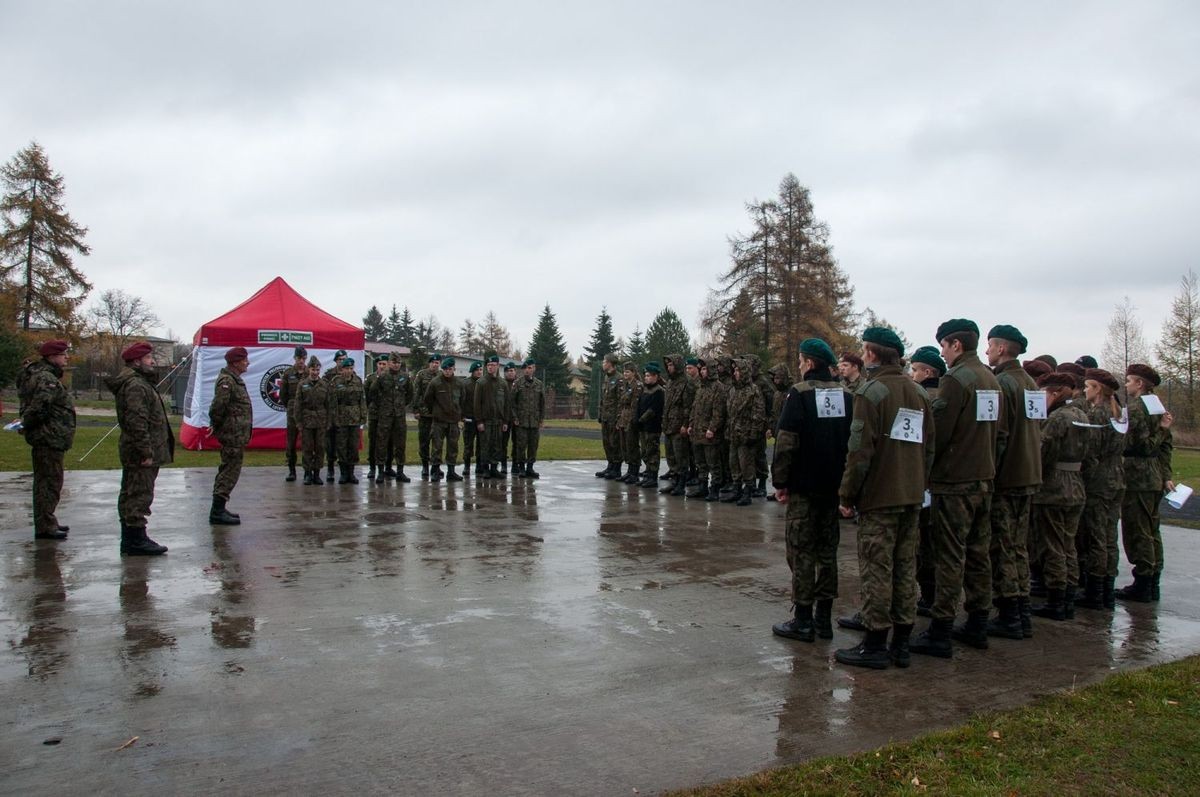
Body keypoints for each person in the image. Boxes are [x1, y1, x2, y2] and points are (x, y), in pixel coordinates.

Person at [834, 328, 934, 669]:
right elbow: (928, 446)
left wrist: (847, 493)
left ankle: (875, 643)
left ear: (873, 355)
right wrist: (920, 482)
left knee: (877, 568)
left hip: (880, 495)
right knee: (905, 567)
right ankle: (901, 643)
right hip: (911, 494)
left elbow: (859, 451)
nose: (862, 356)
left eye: (864, 350)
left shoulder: (871, 393)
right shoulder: (918, 392)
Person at [911, 319, 1000, 658]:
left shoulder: (956, 380)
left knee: (949, 555)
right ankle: (978, 620)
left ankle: (942, 627)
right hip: (983, 478)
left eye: (945, 347)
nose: (943, 354)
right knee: (979, 553)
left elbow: (939, 432)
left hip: (955, 481)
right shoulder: (990, 378)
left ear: (956, 346)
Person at [770, 339, 853, 644]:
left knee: (802, 552)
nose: (800, 365)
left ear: (810, 362)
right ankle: (824, 619)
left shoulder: (799, 393)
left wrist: (780, 481)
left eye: (802, 360)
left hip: (805, 487)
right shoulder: (847, 395)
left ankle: (803, 619)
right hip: (833, 487)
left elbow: (787, 441)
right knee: (827, 552)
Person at [984, 325, 1042, 640]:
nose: (988, 351)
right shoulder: (1030, 383)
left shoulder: (1002, 383)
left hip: (1007, 477)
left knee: (1003, 546)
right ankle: (1020, 611)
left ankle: (1009, 614)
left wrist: (990, 471)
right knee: (1018, 545)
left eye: (991, 346)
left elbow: (999, 435)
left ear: (1003, 349)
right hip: (1028, 473)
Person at [1029, 371, 1089, 620]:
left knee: (1052, 545)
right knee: (1068, 545)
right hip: (1075, 483)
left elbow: (1043, 451)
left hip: (1054, 486)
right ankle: (1068, 597)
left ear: (1053, 393)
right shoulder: (1081, 414)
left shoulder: (1057, 418)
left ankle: (1056, 598)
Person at [106, 341, 171, 556]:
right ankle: (135, 539)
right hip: (140, 451)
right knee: (138, 494)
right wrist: (145, 451)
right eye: (147, 358)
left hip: (139, 448)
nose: (152, 362)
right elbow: (137, 421)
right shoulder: (135, 385)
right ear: (136, 361)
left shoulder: (138, 382)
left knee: (133, 493)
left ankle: (132, 538)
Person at [1117, 363, 1174, 602]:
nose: (1127, 384)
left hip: (1138, 475)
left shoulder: (1138, 408)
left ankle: (1143, 581)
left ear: (1140, 383)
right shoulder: (1156, 406)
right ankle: (1152, 581)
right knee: (1151, 529)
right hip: (1154, 474)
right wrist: (1166, 474)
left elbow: (1140, 444)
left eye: (1129, 381)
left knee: (1137, 529)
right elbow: (1165, 447)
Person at [1075, 368, 1125, 610]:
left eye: (1087, 386)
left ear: (1097, 389)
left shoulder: (1098, 415)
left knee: (1096, 536)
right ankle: (1107, 589)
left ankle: (1095, 591)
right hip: (1117, 478)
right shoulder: (1119, 414)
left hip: (1099, 481)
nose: (1084, 390)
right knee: (1109, 537)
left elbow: (1091, 451)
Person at [18, 339, 76, 541]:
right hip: (48, 436)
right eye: (63, 354)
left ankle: (48, 520)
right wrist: (26, 423)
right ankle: (45, 525)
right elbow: (41, 406)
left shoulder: (42, 375)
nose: (66, 357)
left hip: (50, 436)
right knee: (48, 482)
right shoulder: (46, 378)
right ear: (52, 357)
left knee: (49, 480)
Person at [208, 346, 252, 525]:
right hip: (231, 435)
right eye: (244, 360)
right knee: (228, 471)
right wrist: (217, 426)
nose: (247, 363)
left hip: (236, 434)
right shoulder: (227, 381)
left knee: (231, 471)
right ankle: (217, 511)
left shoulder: (234, 380)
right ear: (235, 362)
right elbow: (218, 407)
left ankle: (220, 508)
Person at [723, 357, 765, 506]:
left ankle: (748, 491)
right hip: (734, 433)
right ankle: (736, 489)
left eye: (738, 370)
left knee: (746, 464)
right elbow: (729, 413)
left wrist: (754, 433)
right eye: (734, 370)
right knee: (733, 463)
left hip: (746, 435)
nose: (735, 373)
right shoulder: (733, 390)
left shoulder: (753, 390)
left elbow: (758, 414)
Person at [687, 359, 726, 501]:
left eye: (704, 369)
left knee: (713, 463)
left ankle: (715, 488)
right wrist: (691, 423)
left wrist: (712, 428)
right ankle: (702, 487)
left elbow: (719, 411)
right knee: (700, 462)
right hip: (697, 431)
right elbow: (694, 408)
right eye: (701, 369)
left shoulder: (718, 387)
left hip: (709, 433)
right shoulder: (701, 388)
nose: (702, 372)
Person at [374, 353, 413, 483]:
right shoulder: (382, 376)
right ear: (389, 363)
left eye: (398, 362)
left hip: (399, 416)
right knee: (382, 443)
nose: (396, 365)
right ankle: (380, 472)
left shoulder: (405, 377)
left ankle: (400, 471)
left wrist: (400, 405)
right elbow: (374, 393)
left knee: (400, 444)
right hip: (385, 416)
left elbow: (409, 395)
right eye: (393, 362)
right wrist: (384, 406)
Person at [424, 357, 465, 482]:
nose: (448, 371)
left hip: (453, 421)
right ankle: (435, 470)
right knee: (437, 446)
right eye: (445, 369)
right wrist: (436, 411)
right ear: (442, 370)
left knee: (453, 446)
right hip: (439, 421)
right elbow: (428, 399)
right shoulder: (435, 382)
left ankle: (451, 472)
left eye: (450, 369)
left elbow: (462, 400)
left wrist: (459, 416)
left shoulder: (459, 383)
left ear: (454, 369)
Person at [660, 354, 695, 495]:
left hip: (680, 425)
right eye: (668, 365)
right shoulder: (670, 382)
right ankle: (674, 481)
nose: (669, 368)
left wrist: (685, 424)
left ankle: (681, 483)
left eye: (671, 365)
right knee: (671, 456)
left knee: (681, 457)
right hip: (669, 424)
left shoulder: (687, 382)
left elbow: (689, 406)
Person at [331, 357, 366, 484]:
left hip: (355, 418)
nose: (349, 371)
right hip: (341, 419)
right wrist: (334, 418)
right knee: (341, 446)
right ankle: (343, 473)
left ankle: (351, 473)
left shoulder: (358, 381)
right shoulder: (336, 381)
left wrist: (363, 415)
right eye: (347, 368)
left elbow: (361, 400)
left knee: (353, 446)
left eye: (351, 368)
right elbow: (333, 402)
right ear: (342, 369)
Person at [473, 356, 509, 479]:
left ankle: (494, 468)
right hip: (486, 421)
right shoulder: (481, 383)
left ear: (498, 366)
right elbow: (476, 404)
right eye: (488, 365)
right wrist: (479, 421)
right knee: (485, 445)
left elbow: (506, 403)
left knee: (497, 445)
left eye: (493, 365)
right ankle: (486, 469)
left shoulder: (503, 384)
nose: (490, 367)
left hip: (498, 421)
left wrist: (505, 421)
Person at [511, 358, 546, 479]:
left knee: (533, 445)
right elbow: (512, 403)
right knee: (521, 445)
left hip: (534, 421)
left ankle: (530, 468)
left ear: (534, 369)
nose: (527, 370)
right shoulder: (518, 384)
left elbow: (542, 403)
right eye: (525, 368)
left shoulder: (539, 384)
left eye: (530, 368)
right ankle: (521, 468)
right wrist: (515, 417)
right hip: (521, 421)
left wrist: (541, 419)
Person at [297, 355, 330, 485]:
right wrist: (299, 422)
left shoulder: (324, 385)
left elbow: (329, 405)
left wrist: (329, 422)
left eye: (317, 370)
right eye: (313, 370)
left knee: (320, 447)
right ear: (308, 369)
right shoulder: (302, 384)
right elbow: (297, 405)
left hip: (321, 421)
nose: (315, 372)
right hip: (307, 420)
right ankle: (307, 473)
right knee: (307, 447)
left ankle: (317, 473)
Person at [279, 345, 307, 482]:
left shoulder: (310, 372)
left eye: (303, 358)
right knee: (291, 443)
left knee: (308, 443)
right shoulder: (288, 373)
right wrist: (291, 406)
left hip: (307, 412)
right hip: (292, 412)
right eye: (298, 358)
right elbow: (283, 395)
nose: (301, 361)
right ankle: (292, 470)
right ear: (294, 358)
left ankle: (308, 471)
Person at [635, 363, 665, 488]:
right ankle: (648, 473)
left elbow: (653, 409)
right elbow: (639, 405)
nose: (646, 378)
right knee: (645, 452)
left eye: (648, 375)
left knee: (652, 451)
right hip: (643, 426)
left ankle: (652, 476)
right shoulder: (645, 389)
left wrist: (641, 419)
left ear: (655, 377)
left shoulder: (659, 391)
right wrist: (637, 418)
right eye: (645, 375)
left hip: (652, 426)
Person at [412, 354, 441, 480]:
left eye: (437, 362)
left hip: (438, 414)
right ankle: (425, 465)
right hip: (424, 414)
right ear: (429, 363)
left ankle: (436, 466)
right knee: (424, 441)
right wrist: (416, 409)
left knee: (438, 442)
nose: (435, 364)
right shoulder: (422, 375)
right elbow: (416, 392)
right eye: (433, 362)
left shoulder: (442, 375)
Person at [321, 349, 347, 482]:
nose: (342, 362)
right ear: (336, 361)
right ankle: (330, 468)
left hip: (345, 415)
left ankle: (345, 470)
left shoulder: (350, 375)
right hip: (331, 415)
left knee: (344, 444)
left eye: (344, 359)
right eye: (340, 360)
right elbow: (323, 393)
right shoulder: (328, 375)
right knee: (330, 443)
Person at [596, 353, 623, 479]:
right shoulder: (607, 378)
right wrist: (600, 413)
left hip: (614, 417)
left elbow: (620, 401)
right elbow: (604, 399)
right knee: (606, 442)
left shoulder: (619, 379)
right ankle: (610, 465)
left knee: (615, 442)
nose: (603, 364)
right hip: (606, 416)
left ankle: (616, 468)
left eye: (604, 362)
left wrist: (619, 418)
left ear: (610, 363)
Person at [617, 362, 644, 483]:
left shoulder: (637, 386)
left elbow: (635, 406)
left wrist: (632, 421)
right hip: (623, 418)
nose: (625, 374)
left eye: (627, 372)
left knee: (632, 446)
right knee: (625, 446)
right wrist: (619, 419)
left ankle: (635, 472)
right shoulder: (625, 385)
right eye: (624, 372)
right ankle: (629, 470)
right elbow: (621, 403)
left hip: (631, 420)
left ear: (633, 372)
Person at [364, 355, 388, 480]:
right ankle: (372, 468)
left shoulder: (390, 377)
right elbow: (367, 395)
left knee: (386, 442)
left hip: (387, 414)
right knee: (373, 441)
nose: (382, 366)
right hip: (374, 414)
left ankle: (384, 468)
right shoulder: (370, 378)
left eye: (384, 364)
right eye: (380, 364)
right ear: (376, 365)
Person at [462, 361, 483, 477]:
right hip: (469, 418)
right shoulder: (466, 384)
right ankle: (467, 466)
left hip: (481, 418)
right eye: (477, 370)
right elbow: (462, 400)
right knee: (468, 443)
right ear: (472, 371)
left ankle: (479, 465)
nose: (479, 372)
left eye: (481, 370)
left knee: (481, 444)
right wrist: (462, 416)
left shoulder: (484, 383)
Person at [502, 361, 520, 475]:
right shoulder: (501, 384)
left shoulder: (520, 384)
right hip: (504, 418)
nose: (510, 373)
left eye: (512, 371)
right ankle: (503, 465)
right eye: (507, 371)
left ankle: (515, 464)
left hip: (516, 419)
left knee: (517, 442)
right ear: (504, 373)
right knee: (503, 443)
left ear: (515, 372)